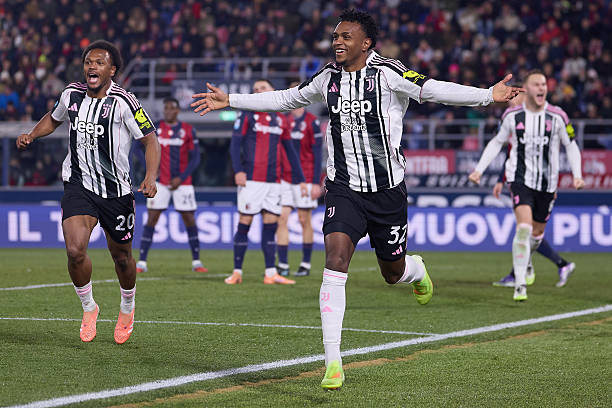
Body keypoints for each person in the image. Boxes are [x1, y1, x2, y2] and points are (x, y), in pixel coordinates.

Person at [192, 9, 522, 389]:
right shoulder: (327, 77)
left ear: (366, 43)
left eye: (345, 36)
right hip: (343, 187)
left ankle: (416, 270)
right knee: (335, 261)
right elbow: (287, 99)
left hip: (387, 192)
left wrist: (487, 95)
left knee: (392, 273)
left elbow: (433, 89)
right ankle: (333, 361)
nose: (337, 42)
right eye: (335, 36)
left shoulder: (389, 73)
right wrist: (231, 100)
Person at [16, 40, 160, 344]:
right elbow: (53, 118)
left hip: (116, 192)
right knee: (74, 251)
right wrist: (32, 134)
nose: (91, 67)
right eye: (88, 62)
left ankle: (127, 307)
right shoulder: (71, 94)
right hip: (78, 184)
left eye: (99, 62)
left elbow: (150, 139)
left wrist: (150, 176)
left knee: (122, 258)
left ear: (112, 70)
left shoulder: (125, 102)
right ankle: (89, 306)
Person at [469, 70, 583, 301]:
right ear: (527, 89)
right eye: (536, 84)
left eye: (544, 84)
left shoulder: (558, 116)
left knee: (536, 234)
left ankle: (528, 265)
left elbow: (571, 145)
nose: (541, 88)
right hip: (520, 179)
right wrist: (479, 170)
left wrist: (577, 174)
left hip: (547, 184)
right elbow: (497, 142)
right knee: (523, 228)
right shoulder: (512, 116)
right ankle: (520, 284)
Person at [224, 79, 307, 285]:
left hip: (274, 181)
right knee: (245, 223)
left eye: (262, 88)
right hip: (251, 180)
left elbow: (290, 151)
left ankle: (270, 273)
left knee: (271, 225)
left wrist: (301, 180)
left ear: (273, 91)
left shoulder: (281, 119)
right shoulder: (246, 114)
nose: (258, 91)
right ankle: (237, 272)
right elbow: (234, 145)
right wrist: (238, 170)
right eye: (255, 89)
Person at [134, 97, 208, 274]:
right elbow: (137, 148)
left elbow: (195, 158)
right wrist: (151, 170)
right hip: (159, 182)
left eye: (171, 108)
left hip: (182, 183)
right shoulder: (155, 128)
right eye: (165, 108)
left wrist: (181, 178)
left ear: (177, 111)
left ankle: (197, 262)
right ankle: (142, 262)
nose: (167, 111)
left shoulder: (188, 130)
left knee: (189, 219)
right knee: (152, 218)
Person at [492, 155, 576, 288]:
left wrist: (552, 186)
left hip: (535, 186)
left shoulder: (535, 145)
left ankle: (520, 273)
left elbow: (548, 158)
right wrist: (500, 180)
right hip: (526, 184)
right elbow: (511, 156)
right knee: (528, 232)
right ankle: (559, 265)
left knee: (528, 232)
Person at [276, 81, 324, 277]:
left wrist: (315, 182)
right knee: (281, 218)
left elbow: (317, 154)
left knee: (304, 220)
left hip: (305, 177)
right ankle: (283, 264)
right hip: (285, 178)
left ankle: (305, 264)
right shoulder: (283, 121)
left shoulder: (312, 122)